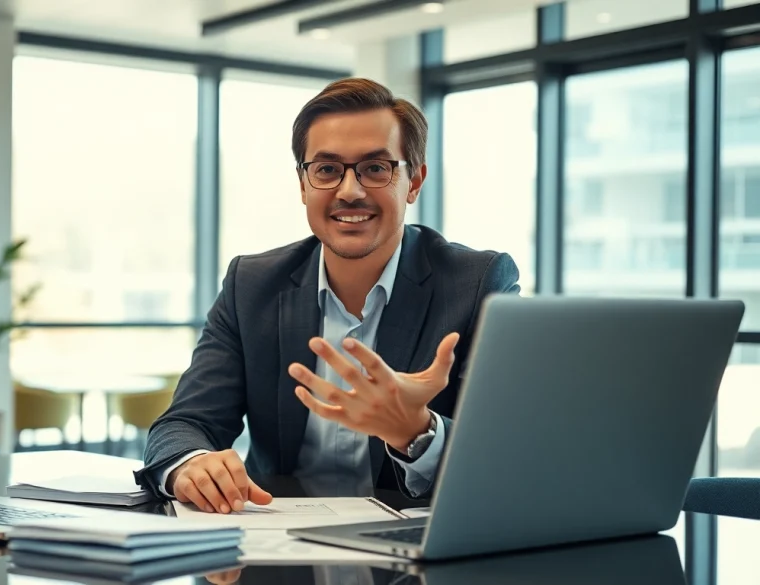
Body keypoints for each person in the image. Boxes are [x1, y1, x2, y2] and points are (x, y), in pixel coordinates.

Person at [132, 77, 520, 514]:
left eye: (376, 169)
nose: (349, 191)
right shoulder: (251, 284)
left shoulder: (477, 283)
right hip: (276, 554)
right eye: (327, 169)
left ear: (414, 182)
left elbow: (512, 450)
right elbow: (185, 423)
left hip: (411, 558)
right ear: (303, 184)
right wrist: (193, 464)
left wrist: (418, 432)